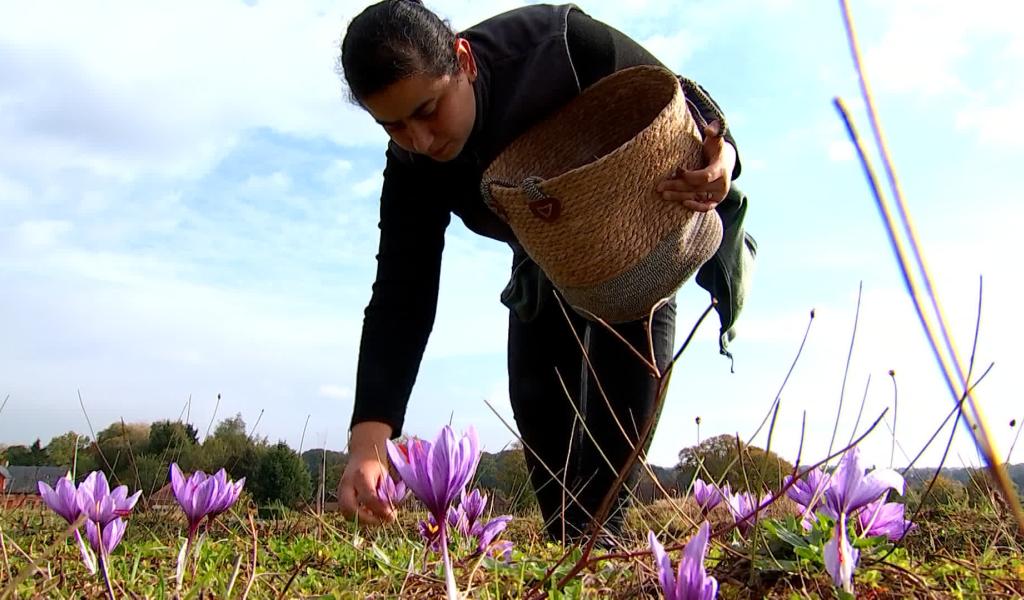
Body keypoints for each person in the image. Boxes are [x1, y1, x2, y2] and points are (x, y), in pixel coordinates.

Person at [335, 0, 755, 545]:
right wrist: (369, 439)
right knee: (539, 410)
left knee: (615, 420)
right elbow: (401, 293)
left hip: (639, 232)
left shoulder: (558, 46)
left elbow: (681, 97)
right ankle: (569, 550)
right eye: (392, 126)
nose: (421, 140)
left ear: (464, 60)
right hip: (543, 252)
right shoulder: (413, 165)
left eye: (429, 109)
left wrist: (723, 160)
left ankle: (600, 544)